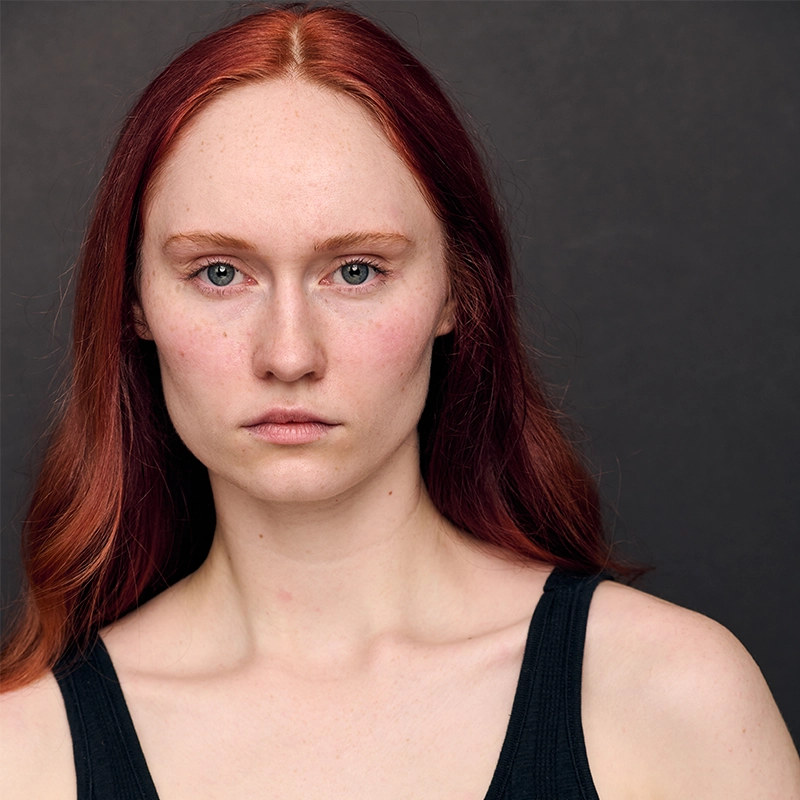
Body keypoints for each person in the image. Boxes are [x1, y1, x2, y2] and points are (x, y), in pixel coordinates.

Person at [1, 4, 798, 798]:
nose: (288, 355)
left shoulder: (668, 699)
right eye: (218, 273)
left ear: (457, 291)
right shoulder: (24, 751)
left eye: (355, 271)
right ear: (133, 302)